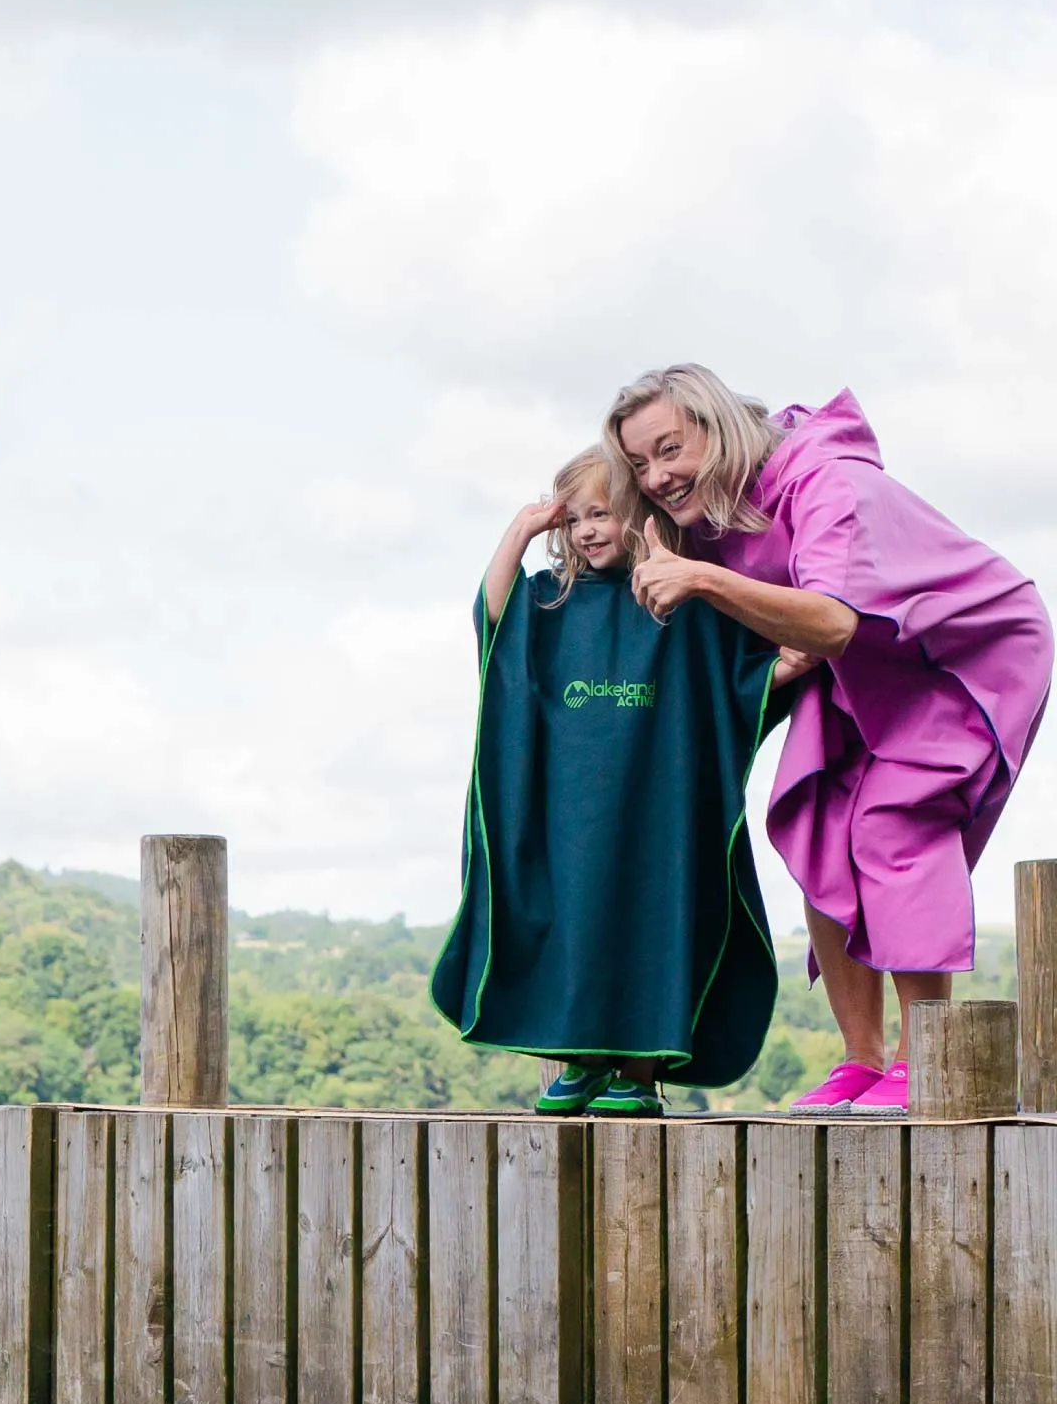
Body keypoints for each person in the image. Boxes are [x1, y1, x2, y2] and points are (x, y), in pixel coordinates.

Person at [608, 366, 1053, 1112]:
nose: (657, 475)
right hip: (858, 664)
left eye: (670, 449)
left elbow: (832, 618)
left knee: (892, 821)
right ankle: (863, 1056)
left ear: (718, 429)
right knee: (813, 821)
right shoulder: (717, 518)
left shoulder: (827, 483)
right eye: (640, 464)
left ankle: (926, 1056)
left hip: (958, 652)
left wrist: (703, 581)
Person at [431, 448, 782, 1118]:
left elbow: (734, 681)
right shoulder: (551, 599)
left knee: (654, 926)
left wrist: (782, 670)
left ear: (642, 516)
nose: (588, 530)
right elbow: (495, 620)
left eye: (605, 514)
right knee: (577, 927)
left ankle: (639, 1073)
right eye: (577, 519)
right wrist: (521, 531)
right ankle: (579, 1062)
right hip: (568, 815)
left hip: (659, 813)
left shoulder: (683, 601)